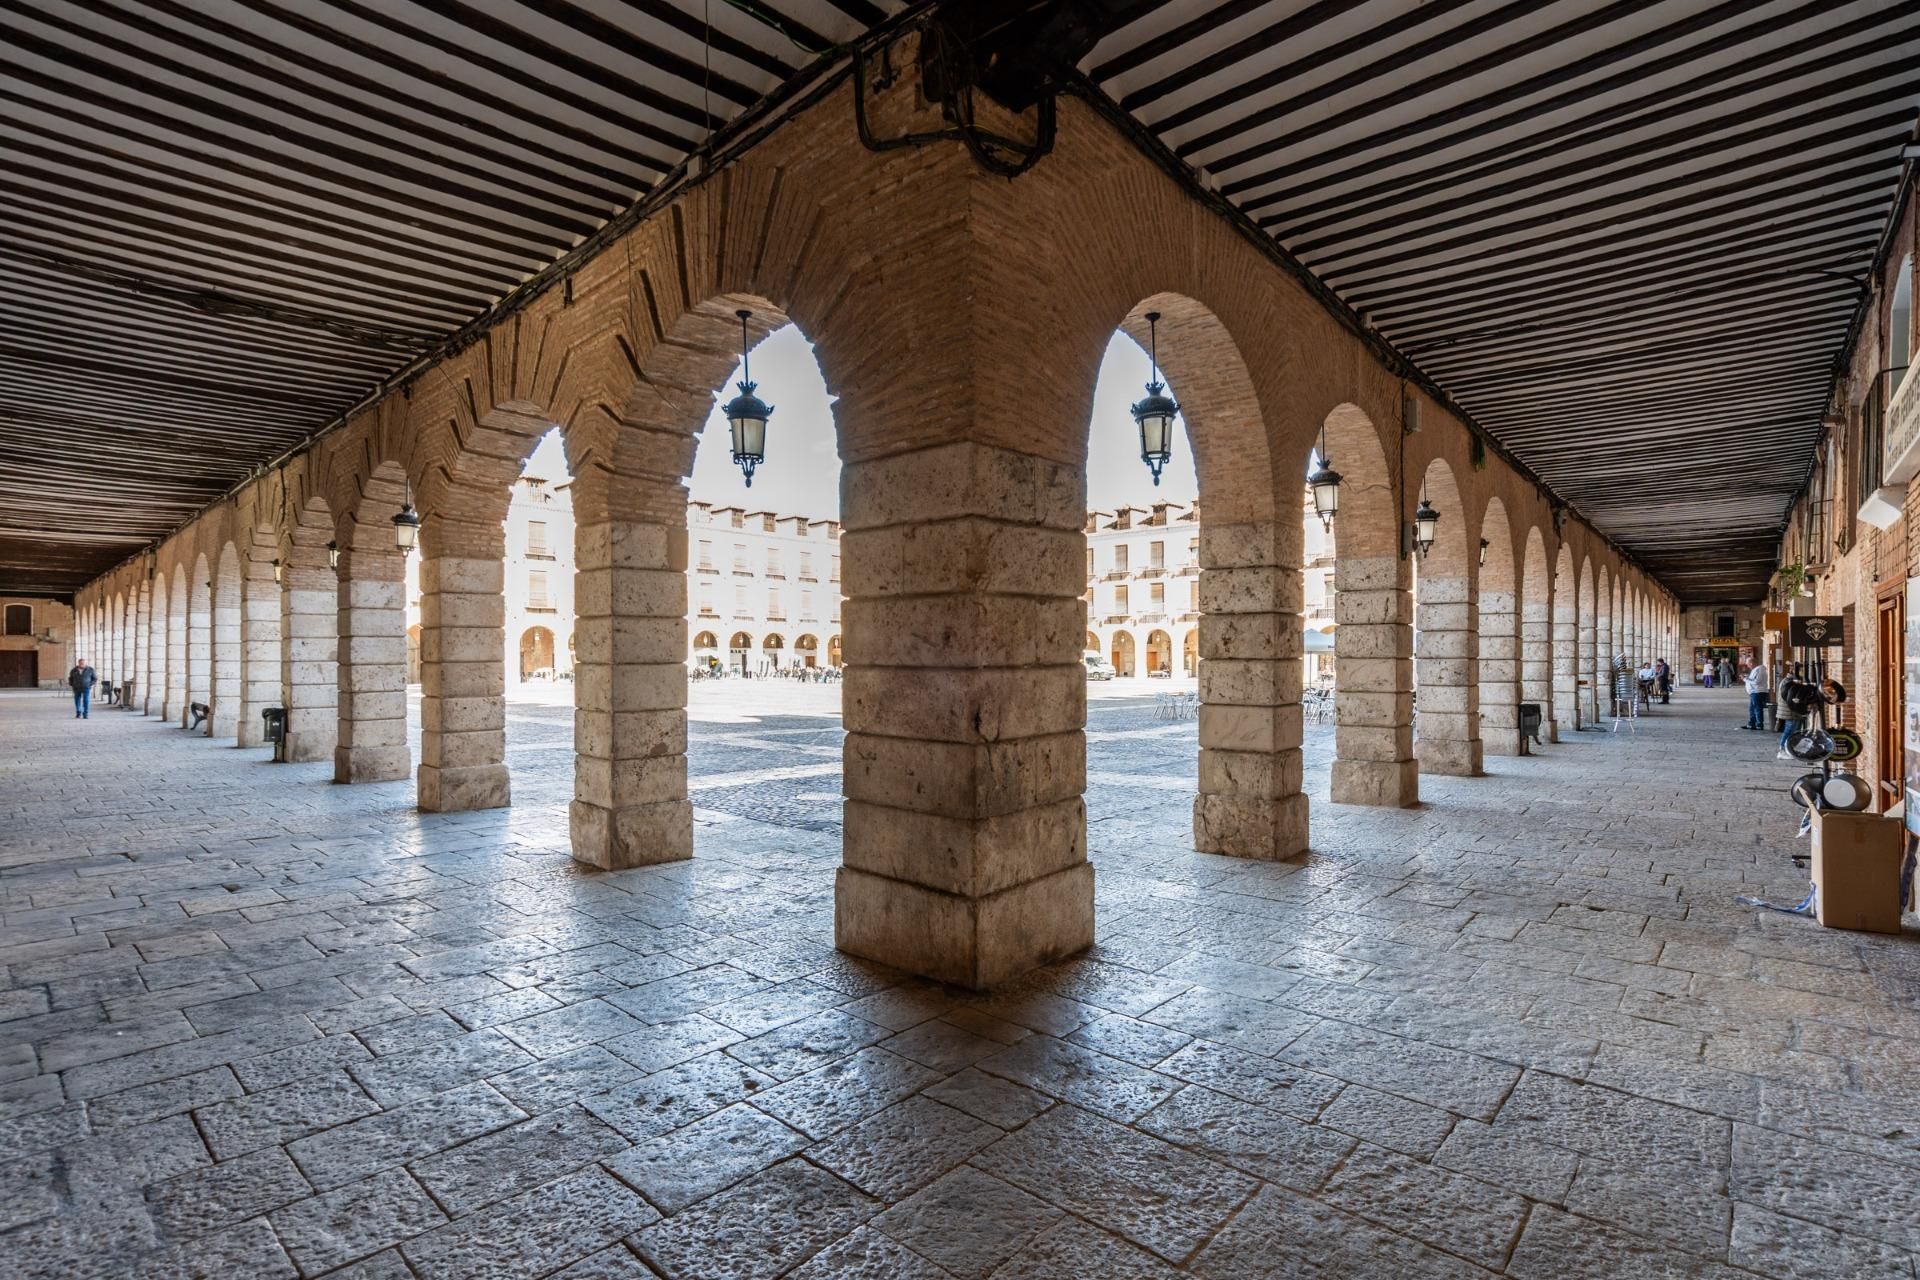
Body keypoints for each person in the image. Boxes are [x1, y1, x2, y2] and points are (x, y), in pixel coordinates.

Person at [1776, 663, 1803, 760]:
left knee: (1794, 731)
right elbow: (1790, 697)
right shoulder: (1788, 682)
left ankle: (1790, 750)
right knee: (1789, 730)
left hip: (1793, 710)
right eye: (1801, 670)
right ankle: (1782, 750)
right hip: (1790, 710)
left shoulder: (1792, 681)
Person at [1742, 654, 1771, 730]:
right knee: (1752, 709)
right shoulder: (1756, 670)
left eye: (1748, 664)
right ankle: (1751, 724)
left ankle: (1759, 724)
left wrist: (1745, 679)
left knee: (1757, 708)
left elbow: (1756, 681)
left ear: (1751, 663)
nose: (1747, 666)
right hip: (1754, 692)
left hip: (1758, 692)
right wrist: (1747, 678)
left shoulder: (1760, 669)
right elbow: (1754, 679)